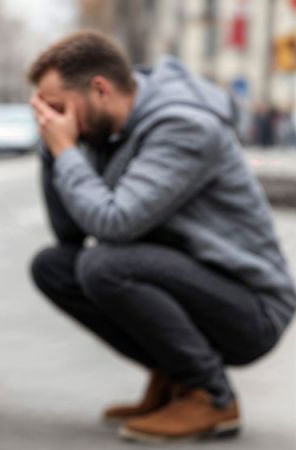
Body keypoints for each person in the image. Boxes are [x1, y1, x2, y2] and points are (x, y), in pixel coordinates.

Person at [27, 31, 295, 443]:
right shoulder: (105, 131)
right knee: (55, 267)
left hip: (252, 306)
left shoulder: (184, 126)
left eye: (58, 107)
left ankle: (211, 395)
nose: (52, 120)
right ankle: (175, 379)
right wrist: (52, 153)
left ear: (99, 89)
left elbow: (113, 223)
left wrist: (65, 153)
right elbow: (71, 235)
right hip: (194, 281)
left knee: (105, 266)